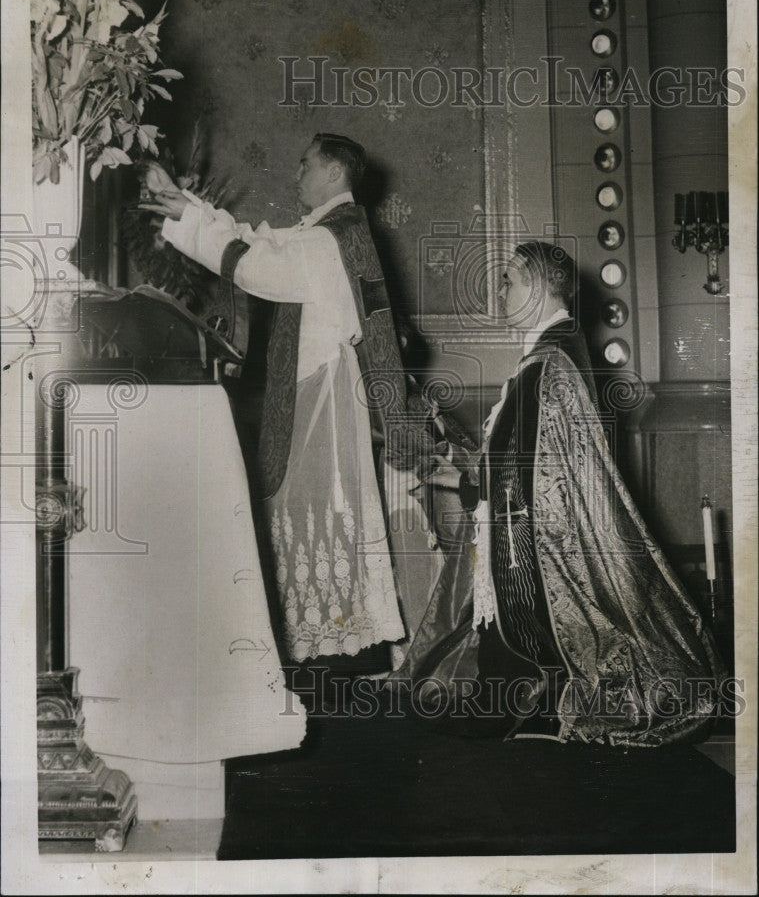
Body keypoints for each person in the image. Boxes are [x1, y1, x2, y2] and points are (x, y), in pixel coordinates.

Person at [390, 241, 724, 746]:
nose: (500, 290)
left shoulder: (549, 364)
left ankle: (538, 712)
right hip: (524, 530)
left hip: (534, 542)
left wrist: (463, 480)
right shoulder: (549, 357)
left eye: (508, 279)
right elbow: (518, 461)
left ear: (539, 286)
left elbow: (528, 474)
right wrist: (459, 473)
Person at [140, 134, 412, 704]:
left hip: (321, 399)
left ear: (335, 171)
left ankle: (336, 655)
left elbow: (257, 266)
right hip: (317, 389)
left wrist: (193, 222)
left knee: (318, 512)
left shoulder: (328, 240)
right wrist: (187, 209)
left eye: (305, 162)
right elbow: (254, 240)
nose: (297, 172)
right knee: (317, 516)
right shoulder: (332, 231)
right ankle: (333, 649)